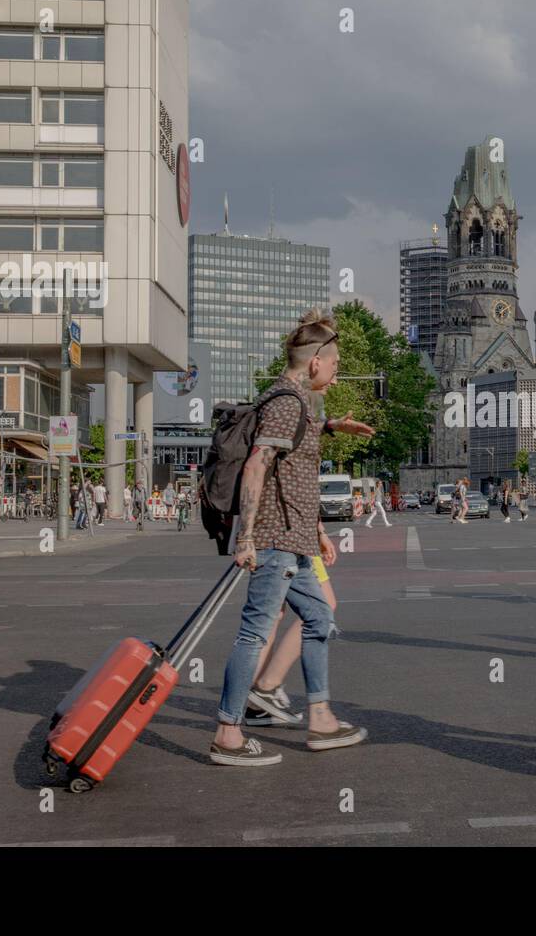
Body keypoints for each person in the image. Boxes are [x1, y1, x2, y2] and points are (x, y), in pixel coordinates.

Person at [210, 309, 373, 765]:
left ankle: (320, 718)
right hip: (275, 540)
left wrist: (316, 528)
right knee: (255, 632)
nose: (337, 376)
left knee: (319, 619)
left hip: (295, 539)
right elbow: (258, 464)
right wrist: (245, 539)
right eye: (336, 365)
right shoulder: (286, 402)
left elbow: (290, 462)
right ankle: (228, 732)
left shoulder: (296, 404)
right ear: (316, 360)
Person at [245, 553, 339, 728]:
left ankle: (255, 704)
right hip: (295, 540)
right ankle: (267, 687)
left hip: (272, 540)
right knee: (322, 606)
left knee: (271, 612)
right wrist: (320, 532)